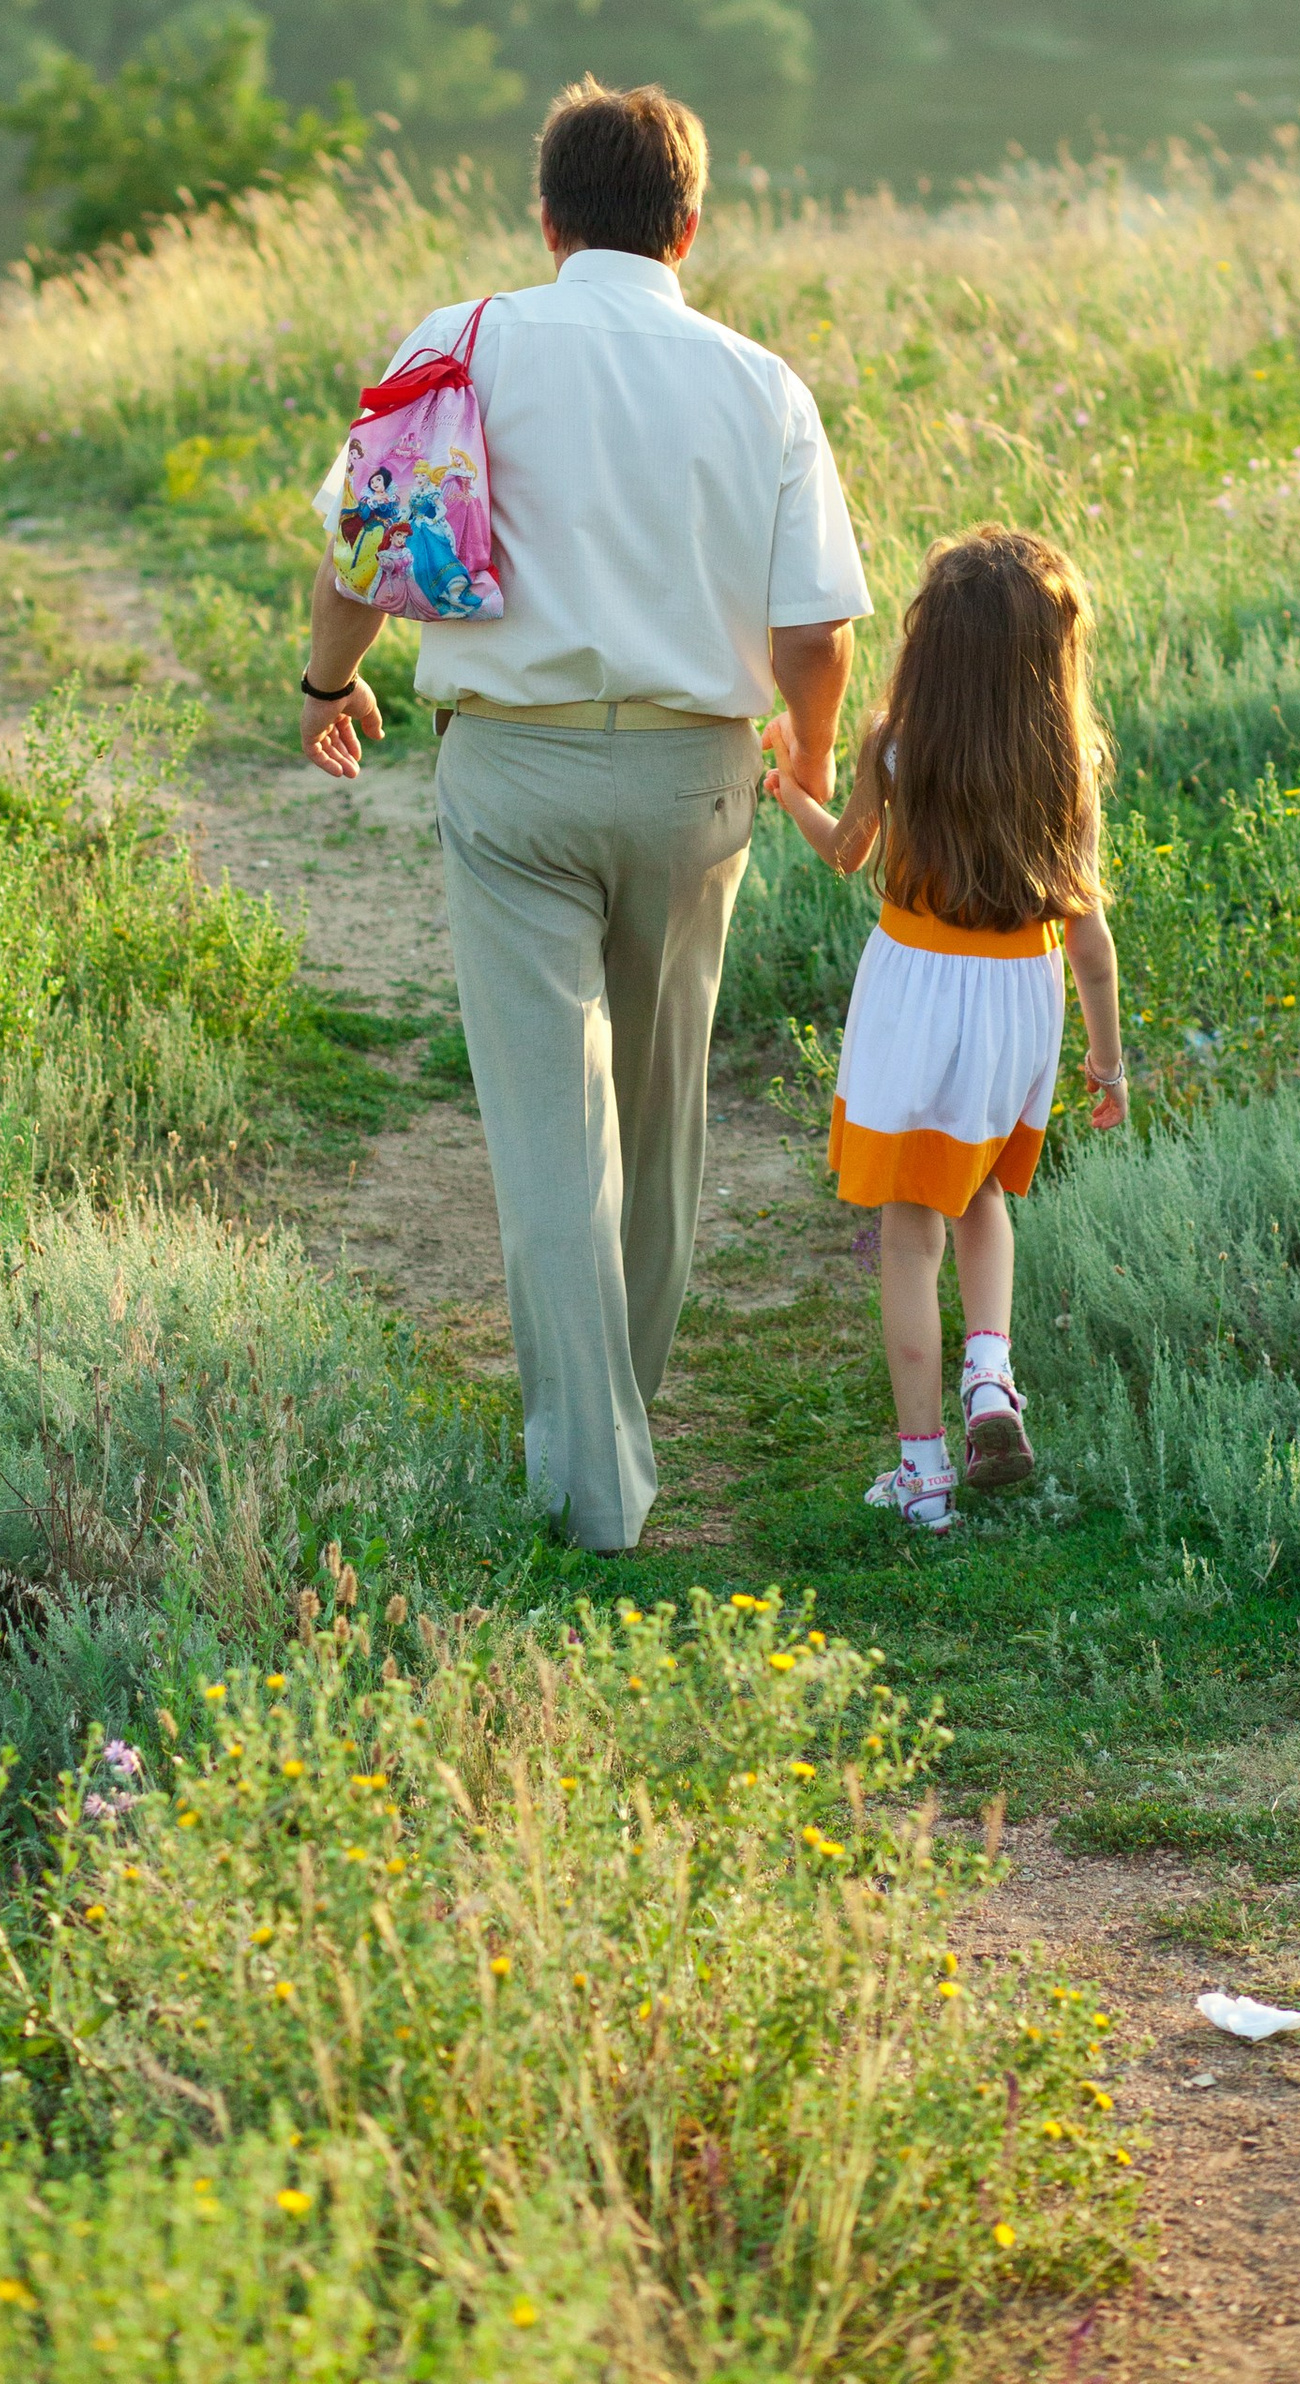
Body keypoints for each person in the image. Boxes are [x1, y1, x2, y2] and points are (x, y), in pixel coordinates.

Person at [298, 77, 870, 1552]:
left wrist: (326, 686)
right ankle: (630, 1405)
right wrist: (807, 755)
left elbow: (366, 550)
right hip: (697, 779)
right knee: (664, 1117)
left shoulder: (458, 341)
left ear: (547, 220)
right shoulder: (762, 383)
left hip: (515, 773)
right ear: (690, 224)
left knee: (553, 1132)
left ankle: (590, 1481)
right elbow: (817, 627)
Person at [763, 525, 1125, 1534]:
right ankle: (990, 1377)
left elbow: (845, 852)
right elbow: (1090, 944)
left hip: (916, 993)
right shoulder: (1068, 762)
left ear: (933, 643)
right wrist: (1107, 1062)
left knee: (907, 1233)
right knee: (980, 1191)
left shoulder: (895, 740)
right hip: (1019, 1000)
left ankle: (923, 1477)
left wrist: (787, 786)